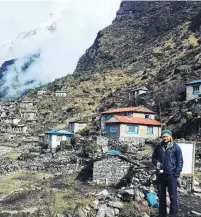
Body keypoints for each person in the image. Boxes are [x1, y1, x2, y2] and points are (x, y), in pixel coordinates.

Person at [152, 129, 183, 217]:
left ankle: (173, 214)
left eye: (166, 136)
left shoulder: (176, 147)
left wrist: (176, 174)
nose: (165, 138)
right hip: (161, 175)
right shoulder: (158, 146)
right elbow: (154, 157)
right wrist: (156, 162)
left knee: (173, 196)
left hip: (171, 175)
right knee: (161, 196)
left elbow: (180, 161)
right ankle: (162, 214)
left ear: (170, 137)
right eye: (163, 136)